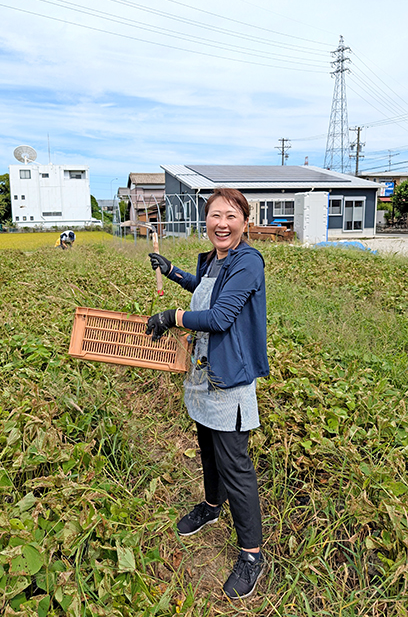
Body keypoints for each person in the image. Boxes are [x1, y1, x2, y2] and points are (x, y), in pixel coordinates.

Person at [146, 188, 269, 600]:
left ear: (243, 223)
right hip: (203, 371)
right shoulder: (217, 260)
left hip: (228, 377)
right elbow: (206, 291)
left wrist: (171, 315)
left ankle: (252, 555)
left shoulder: (248, 261)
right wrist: (176, 272)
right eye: (215, 215)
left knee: (235, 464)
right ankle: (213, 508)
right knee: (207, 449)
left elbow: (218, 316)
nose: (222, 223)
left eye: (230, 216)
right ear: (206, 221)